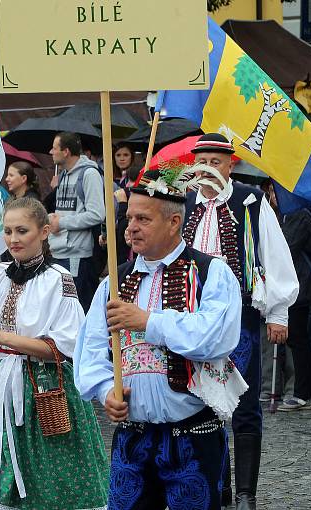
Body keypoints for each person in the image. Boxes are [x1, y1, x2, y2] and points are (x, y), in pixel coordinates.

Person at [75, 164, 244, 510]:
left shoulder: (212, 272)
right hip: (132, 438)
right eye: (129, 218)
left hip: (193, 435)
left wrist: (148, 321)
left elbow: (215, 337)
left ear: (174, 222)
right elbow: (90, 349)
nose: (131, 227)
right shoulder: (113, 283)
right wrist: (106, 389)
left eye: (143, 219)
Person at [0, 197, 108, 509]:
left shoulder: (58, 280)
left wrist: (4, 337)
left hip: (45, 386)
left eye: (22, 230)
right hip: (2, 383)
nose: (13, 239)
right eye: (8, 231)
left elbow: (63, 349)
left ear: (44, 232)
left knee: (52, 473)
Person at [182, 133, 298, 509]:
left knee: (244, 402)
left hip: (241, 315)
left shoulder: (249, 200)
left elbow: (274, 253)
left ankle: (246, 493)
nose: (208, 170)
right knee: (200, 403)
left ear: (230, 164)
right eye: (202, 162)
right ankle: (219, 488)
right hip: (191, 318)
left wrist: (278, 312)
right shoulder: (182, 203)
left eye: (216, 161)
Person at [262, 183, 311, 411]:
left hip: (298, 285)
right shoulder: (276, 214)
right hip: (282, 286)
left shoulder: (299, 215)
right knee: (291, 339)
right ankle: (286, 388)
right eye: (272, 191)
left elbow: (285, 248)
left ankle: (304, 392)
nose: (275, 196)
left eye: (279, 192)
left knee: (298, 339)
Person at [48, 132, 106, 312]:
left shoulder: (89, 174)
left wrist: (62, 222)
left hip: (77, 257)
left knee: (80, 310)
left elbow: (97, 214)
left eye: (54, 148)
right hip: (59, 253)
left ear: (66, 151)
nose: (51, 152)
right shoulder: (63, 175)